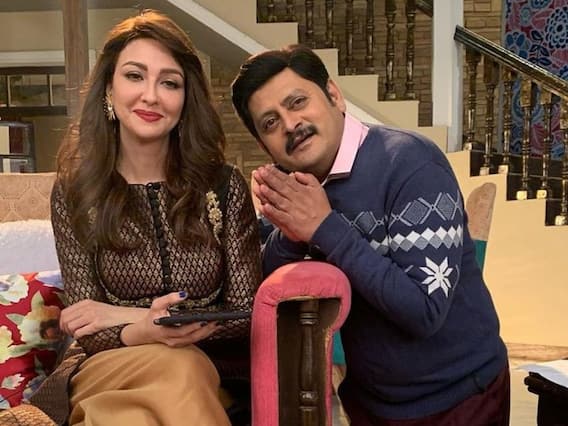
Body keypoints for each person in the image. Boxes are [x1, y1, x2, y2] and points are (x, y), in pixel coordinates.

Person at [0, 10, 261, 426]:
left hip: (212, 368)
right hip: (110, 365)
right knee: (178, 369)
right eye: (135, 76)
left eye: (169, 82)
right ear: (109, 88)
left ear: (186, 98)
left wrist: (123, 313)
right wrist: (141, 326)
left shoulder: (223, 186)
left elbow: (247, 313)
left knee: (145, 401)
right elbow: (86, 326)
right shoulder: (76, 192)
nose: (151, 96)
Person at [231, 44, 510, 425]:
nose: (290, 124)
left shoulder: (410, 163)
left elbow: (424, 311)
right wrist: (293, 232)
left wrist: (324, 227)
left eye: (297, 102)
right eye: (270, 123)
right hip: (370, 403)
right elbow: (263, 283)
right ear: (264, 145)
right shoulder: (296, 191)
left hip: (459, 397)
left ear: (334, 95)